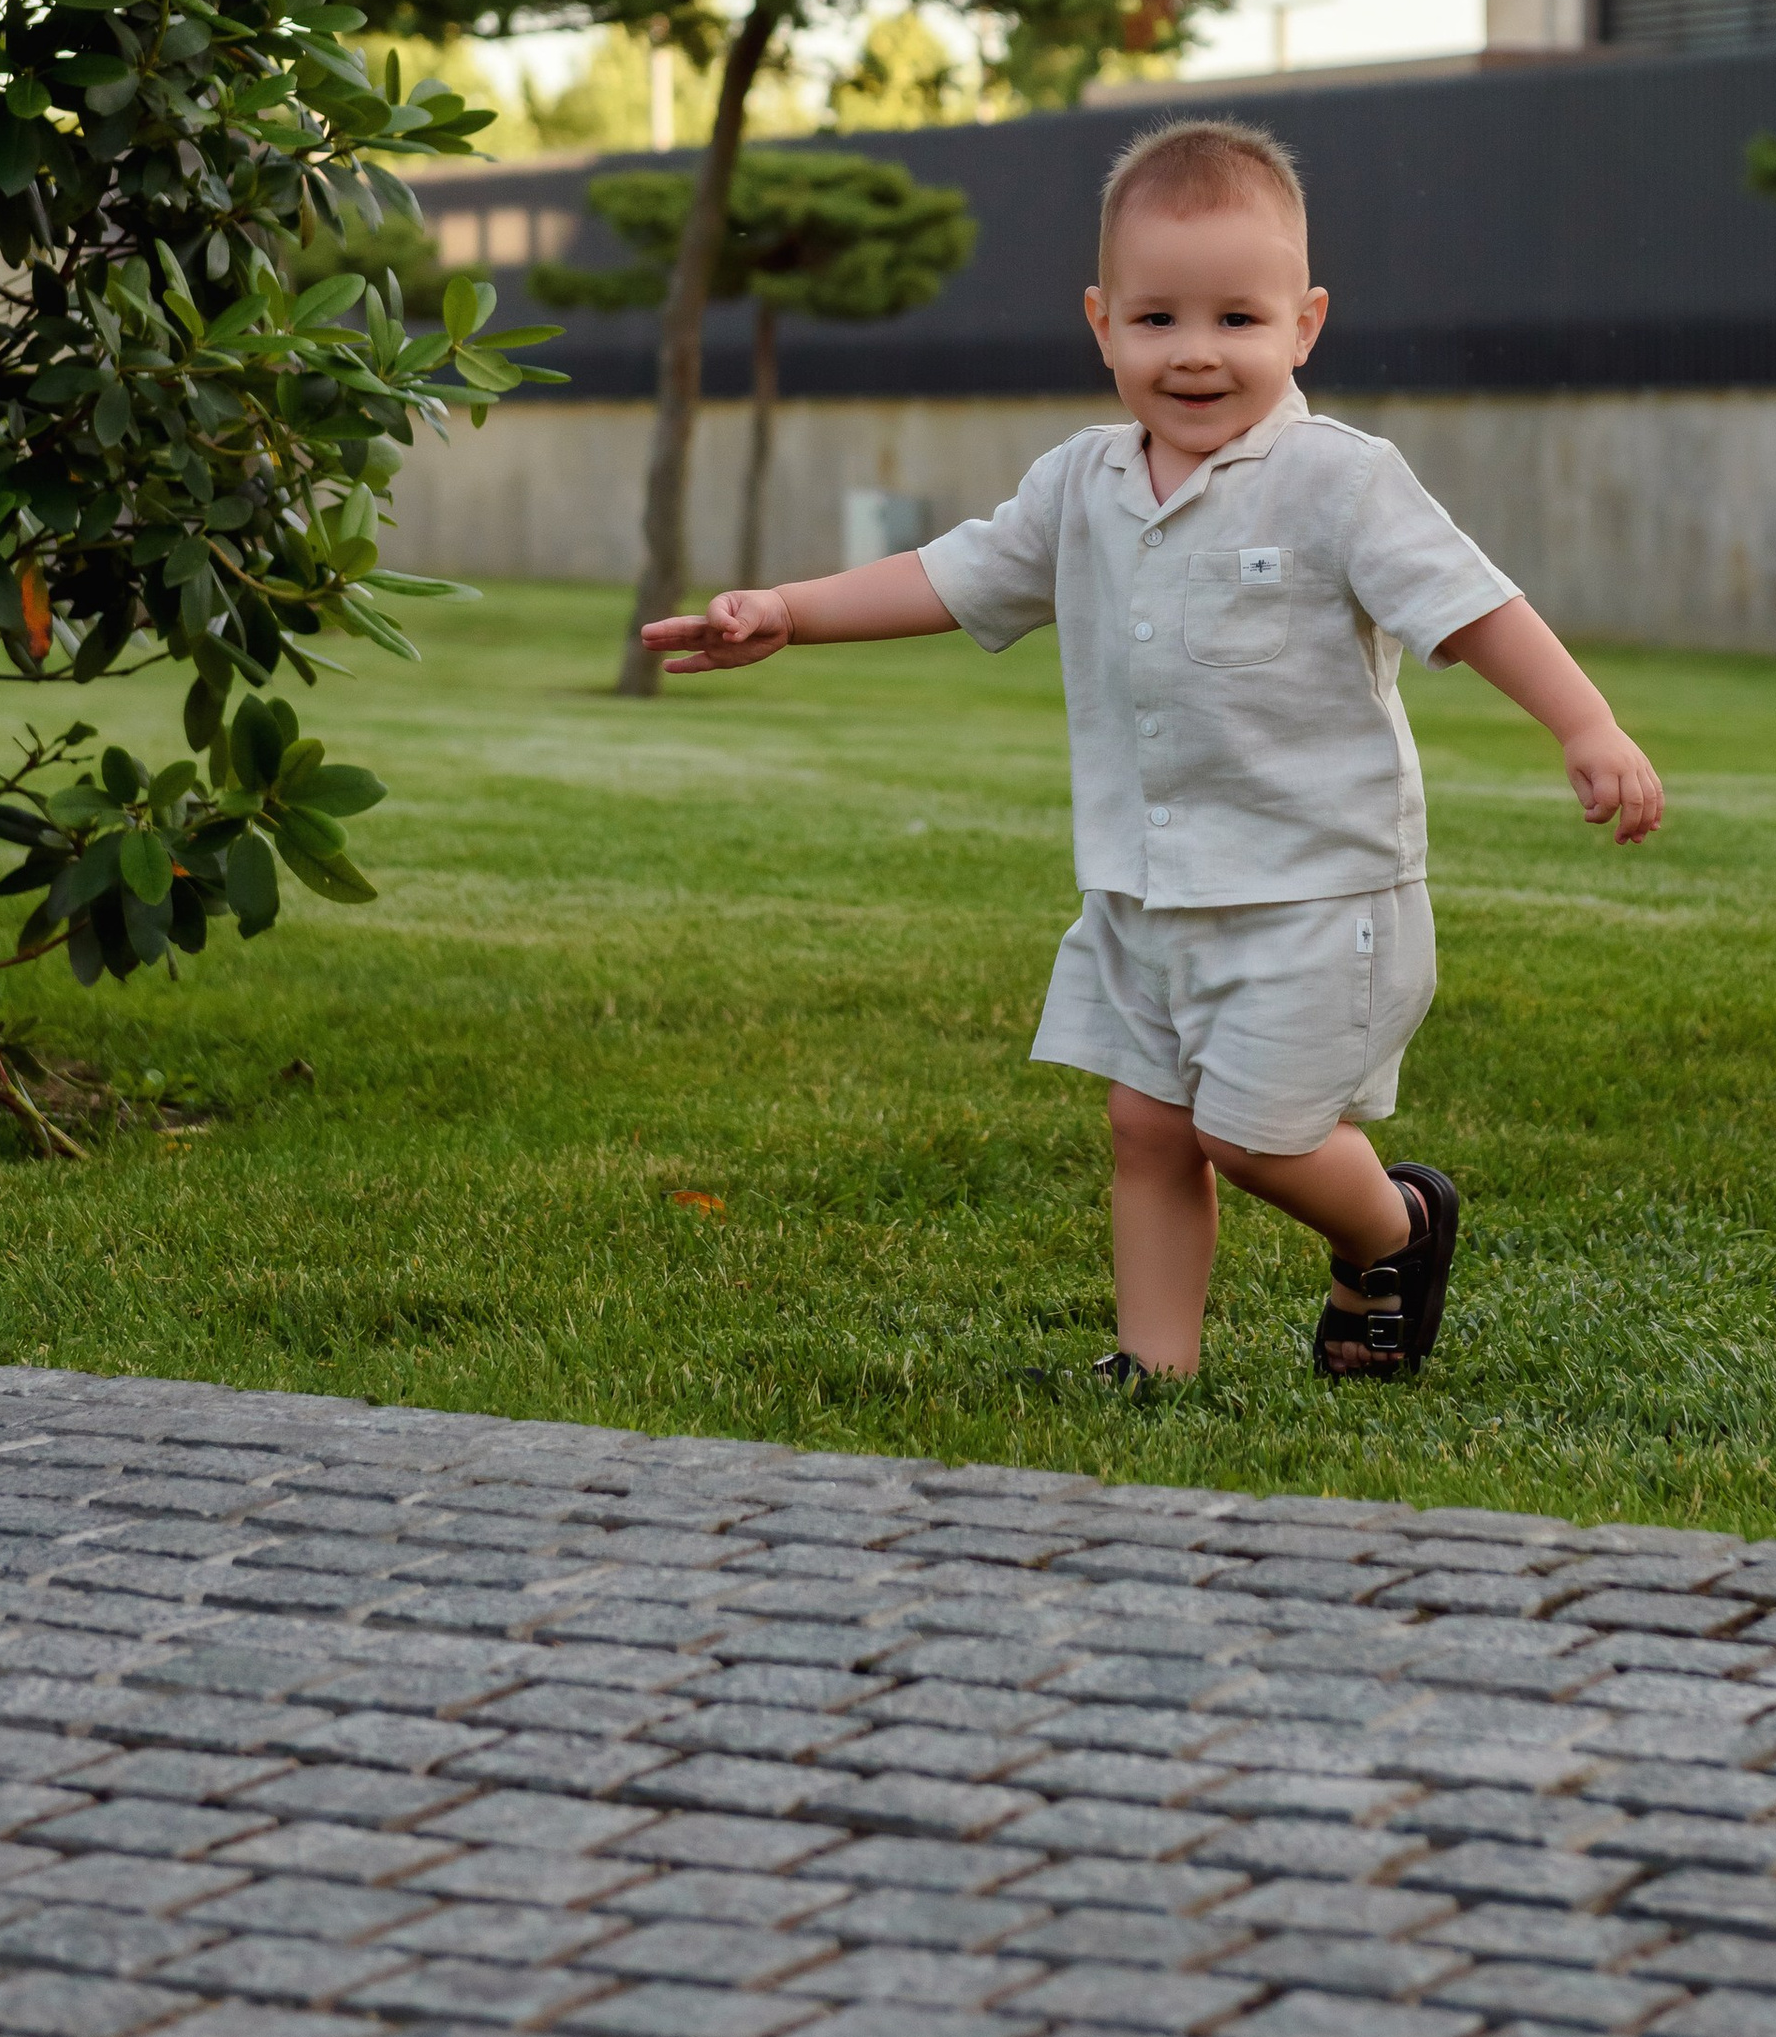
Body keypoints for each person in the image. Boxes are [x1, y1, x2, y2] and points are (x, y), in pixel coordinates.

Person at [641, 116, 1663, 1385]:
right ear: (1101, 323)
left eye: (1238, 320)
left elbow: (1475, 606)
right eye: (1157, 320)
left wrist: (1585, 723)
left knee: (1255, 1138)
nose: (1195, 355)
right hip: (1141, 891)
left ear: (1305, 325)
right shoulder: (1081, 483)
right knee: (1146, 1126)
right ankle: (1153, 1367)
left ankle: (1391, 1231)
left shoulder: (1340, 482)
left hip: (1310, 892)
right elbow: (949, 575)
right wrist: (789, 612)